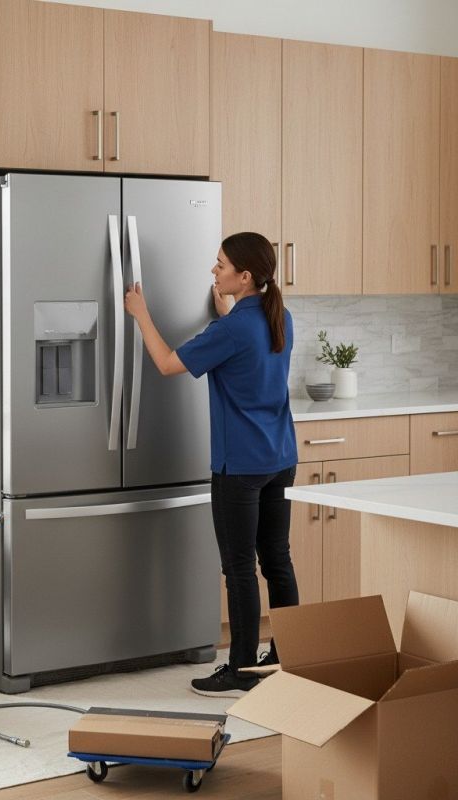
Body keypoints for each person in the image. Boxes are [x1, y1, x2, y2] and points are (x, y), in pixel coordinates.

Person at [124, 231, 298, 698]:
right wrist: (226, 310)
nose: (212, 271)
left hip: (239, 465)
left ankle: (240, 668)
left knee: (239, 567)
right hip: (280, 458)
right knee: (277, 560)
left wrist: (141, 314)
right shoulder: (278, 316)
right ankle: (284, 660)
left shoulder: (231, 331)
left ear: (244, 277)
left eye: (220, 266)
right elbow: (244, 347)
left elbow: (164, 363)